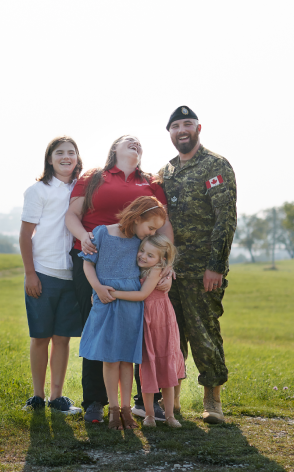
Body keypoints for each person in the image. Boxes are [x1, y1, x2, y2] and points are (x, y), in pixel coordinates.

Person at [65, 135, 174, 424]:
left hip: (136, 264)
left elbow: (163, 225)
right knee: (98, 332)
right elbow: (72, 215)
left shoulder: (151, 182)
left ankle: (143, 402)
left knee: (140, 333)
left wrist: (167, 265)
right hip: (95, 258)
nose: (135, 143)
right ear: (114, 148)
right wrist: (85, 238)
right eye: (128, 140)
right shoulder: (93, 177)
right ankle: (95, 402)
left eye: (139, 142)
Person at [159, 106, 237, 424]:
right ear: (170, 133)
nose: (182, 130)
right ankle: (172, 401)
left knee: (205, 334)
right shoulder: (165, 172)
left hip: (203, 270)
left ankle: (212, 401)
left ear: (198, 128)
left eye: (187, 124)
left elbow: (225, 217)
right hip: (171, 271)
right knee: (171, 336)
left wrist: (216, 264)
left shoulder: (215, 165)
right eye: (176, 126)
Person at [78, 196, 168, 430]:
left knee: (127, 359)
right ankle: (113, 410)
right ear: (137, 218)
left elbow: (159, 260)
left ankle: (127, 410)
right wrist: (97, 287)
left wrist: (168, 273)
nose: (152, 233)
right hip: (106, 299)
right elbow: (88, 263)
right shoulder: (102, 233)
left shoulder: (141, 242)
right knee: (110, 359)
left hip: (130, 304)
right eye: (150, 227)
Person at [19, 136, 85, 415]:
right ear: (49, 159)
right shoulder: (38, 191)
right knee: (40, 337)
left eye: (71, 152)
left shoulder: (81, 189)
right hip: (43, 273)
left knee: (62, 338)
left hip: (71, 275)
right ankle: (37, 396)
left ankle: (57, 398)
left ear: (77, 158)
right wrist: (30, 274)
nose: (66, 157)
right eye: (60, 153)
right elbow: (25, 235)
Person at [108, 233, 186, 428]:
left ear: (161, 259)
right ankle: (149, 415)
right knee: (147, 366)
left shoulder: (157, 270)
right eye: (142, 251)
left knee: (166, 366)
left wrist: (112, 294)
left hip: (162, 323)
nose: (143, 256)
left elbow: (142, 295)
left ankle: (170, 416)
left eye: (150, 255)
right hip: (145, 323)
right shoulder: (138, 269)